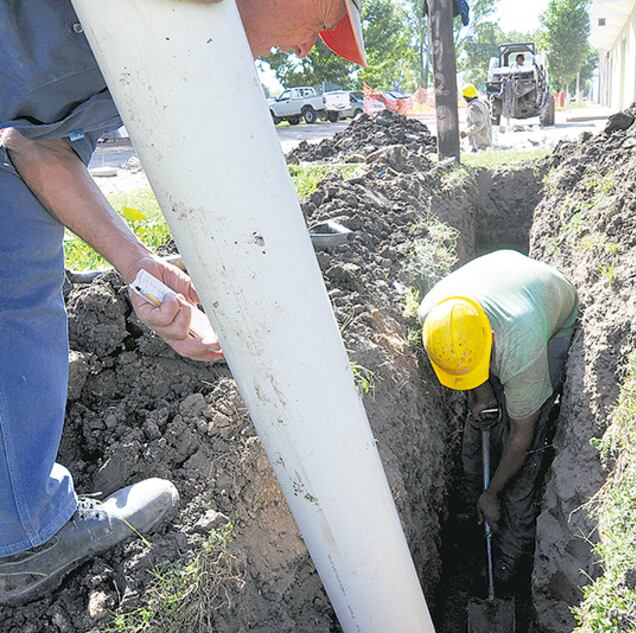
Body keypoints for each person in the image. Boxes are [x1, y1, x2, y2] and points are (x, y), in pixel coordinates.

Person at [0, 0, 367, 605]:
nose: (309, 47)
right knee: (15, 295)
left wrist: (136, 264)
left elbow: (33, 145)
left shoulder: (159, 46)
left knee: (17, 251)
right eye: (324, 19)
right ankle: (23, 532)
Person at [418, 250, 579, 589]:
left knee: (525, 457)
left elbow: (522, 436)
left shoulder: (523, 348)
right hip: (502, 285)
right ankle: (469, 505)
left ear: (490, 338)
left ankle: (508, 555)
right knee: (483, 419)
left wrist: (493, 494)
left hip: (550, 310)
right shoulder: (435, 317)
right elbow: (464, 359)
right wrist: (483, 395)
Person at [460, 83, 492, 152]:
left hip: (479, 144)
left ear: (465, 97)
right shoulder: (481, 103)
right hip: (485, 141)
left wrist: (466, 132)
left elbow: (479, 124)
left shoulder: (473, 107)